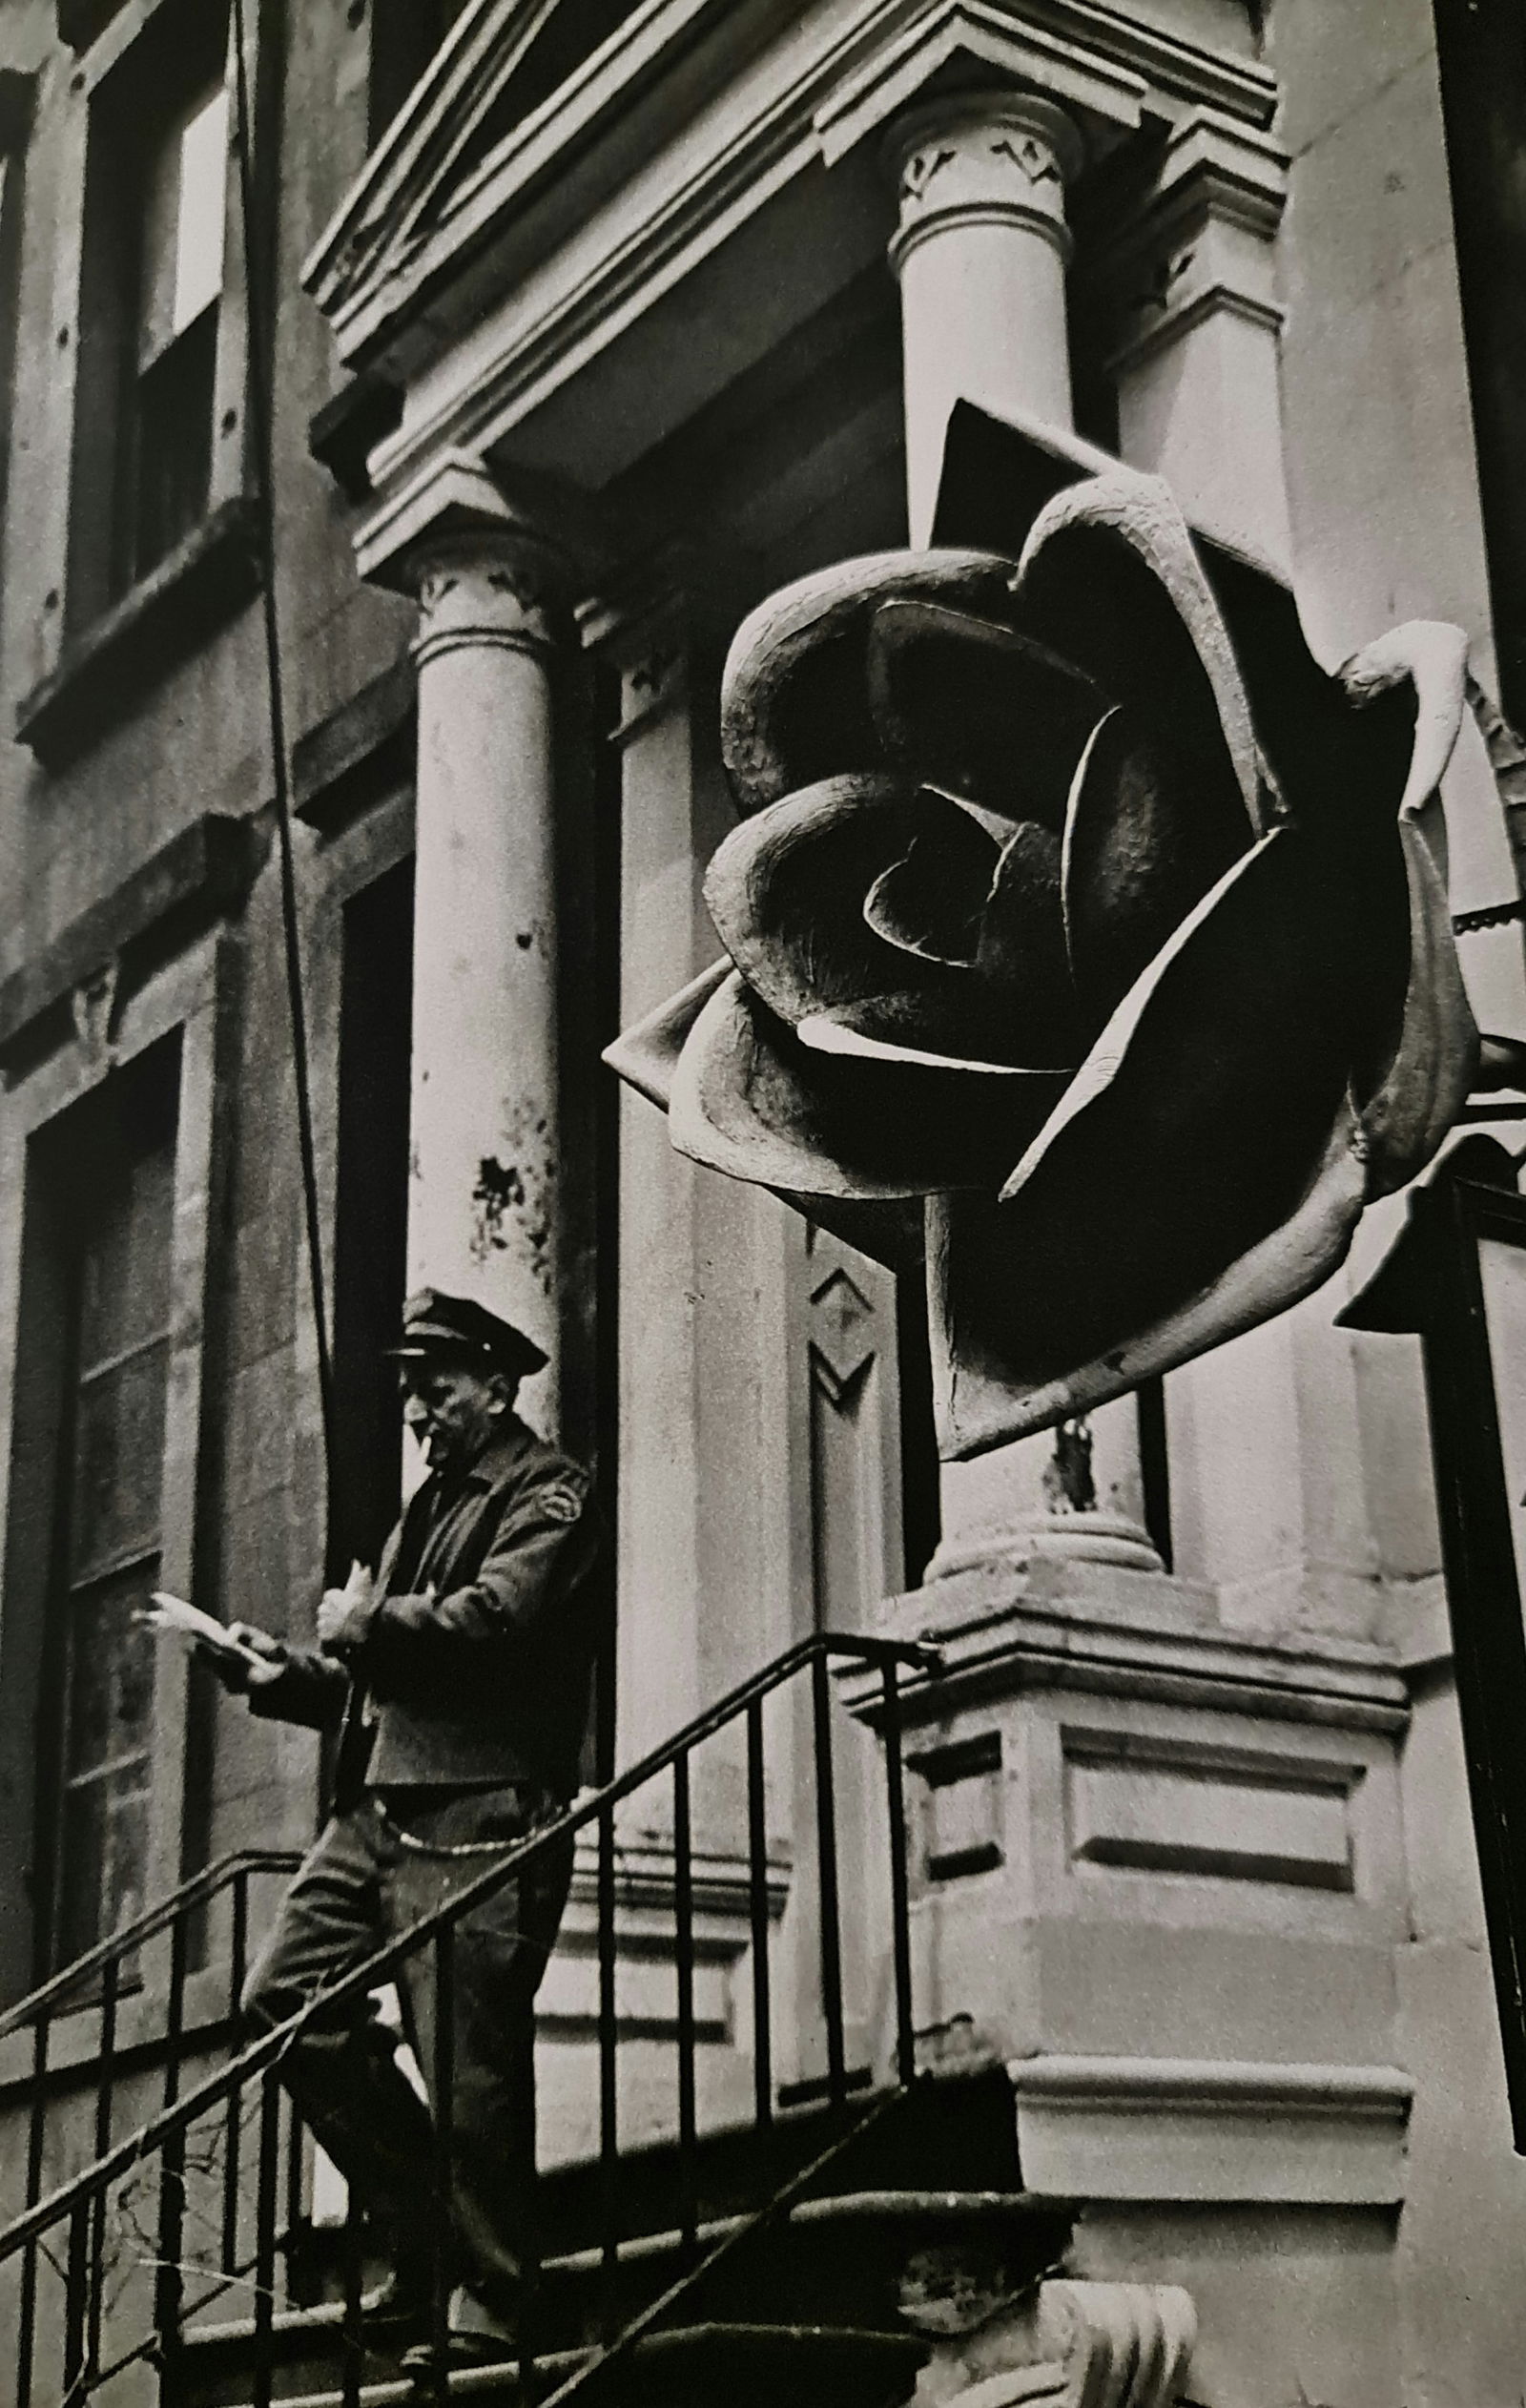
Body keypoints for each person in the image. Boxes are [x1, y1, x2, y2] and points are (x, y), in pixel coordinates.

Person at [215, 1288, 601, 2368]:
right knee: (287, 2001)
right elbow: (374, 1685)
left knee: (466, 2060)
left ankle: (494, 2297)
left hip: (480, 1807)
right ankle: (427, 2238)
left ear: (496, 1382)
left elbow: (496, 1623)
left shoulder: (550, 1492)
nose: (418, 1412)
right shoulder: (419, 1512)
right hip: (375, 1812)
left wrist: (365, 1622)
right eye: (409, 1395)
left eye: (435, 1388)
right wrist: (277, 1672)